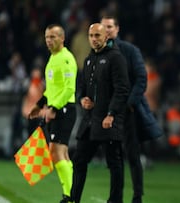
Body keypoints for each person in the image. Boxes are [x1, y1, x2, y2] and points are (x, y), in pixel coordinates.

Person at [69, 23, 130, 203]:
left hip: (107, 120)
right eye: (91, 36)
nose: (94, 39)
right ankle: (74, 199)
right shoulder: (88, 60)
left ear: (106, 37)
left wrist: (111, 114)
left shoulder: (115, 58)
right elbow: (82, 86)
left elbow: (122, 89)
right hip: (89, 122)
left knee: (114, 163)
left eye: (97, 35)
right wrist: (82, 99)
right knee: (79, 160)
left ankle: (115, 201)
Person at [28, 24, 77, 203]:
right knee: (59, 152)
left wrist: (54, 108)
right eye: (47, 37)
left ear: (62, 38)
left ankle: (69, 196)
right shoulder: (52, 58)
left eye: (53, 37)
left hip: (64, 109)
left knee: (56, 151)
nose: (49, 40)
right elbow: (52, 89)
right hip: (57, 109)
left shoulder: (66, 59)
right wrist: (40, 105)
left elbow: (69, 88)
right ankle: (71, 193)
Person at [101, 15, 147, 203]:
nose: (107, 30)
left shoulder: (129, 51)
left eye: (110, 27)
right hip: (106, 113)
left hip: (127, 112)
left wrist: (128, 103)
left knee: (132, 156)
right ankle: (116, 197)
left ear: (117, 28)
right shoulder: (98, 52)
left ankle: (137, 195)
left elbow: (141, 79)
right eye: (104, 27)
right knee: (113, 158)